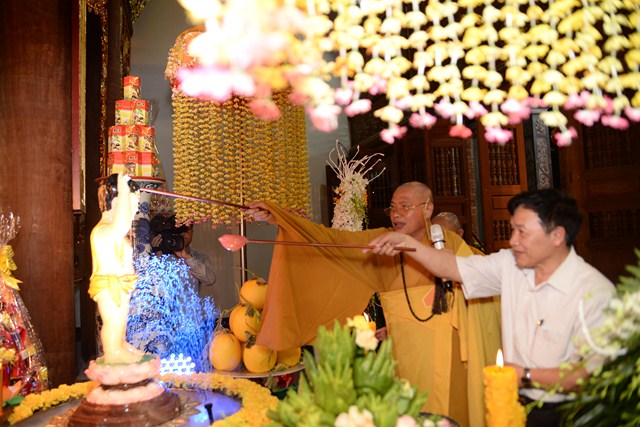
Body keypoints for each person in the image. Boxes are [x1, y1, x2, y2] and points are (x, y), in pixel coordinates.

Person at [248, 182, 501, 427]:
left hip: (450, 352)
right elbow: (334, 241)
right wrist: (281, 218)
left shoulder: (449, 243)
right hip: (403, 353)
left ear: (427, 209)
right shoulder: (384, 242)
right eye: (393, 207)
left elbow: (486, 284)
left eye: (405, 206)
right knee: (408, 412)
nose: (396, 214)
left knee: (447, 414)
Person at [366, 188, 616, 427]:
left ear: (557, 236)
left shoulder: (594, 293)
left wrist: (525, 375)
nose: (513, 240)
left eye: (522, 232)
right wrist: (405, 242)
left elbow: (591, 374)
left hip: (567, 412)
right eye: (512, 230)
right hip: (510, 401)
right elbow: (451, 267)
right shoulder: (511, 264)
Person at [89, 173, 145, 364]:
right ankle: (112, 351)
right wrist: (123, 191)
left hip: (122, 285)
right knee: (113, 320)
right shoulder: (103, 231)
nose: (135, 210)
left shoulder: (113, 232)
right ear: (116, 202)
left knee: (120, 320)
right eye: (131, 204)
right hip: (109, 286)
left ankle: (120, 344)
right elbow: (121, 224)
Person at [151, 215, 216, 292]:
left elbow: (210, 280)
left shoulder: (201, 257)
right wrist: (157, 255)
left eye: (186, 229)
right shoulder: (161, 254)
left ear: (192, 232)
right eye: (179, 230)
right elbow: (153, 284)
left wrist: (188, 258)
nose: (183, 233)